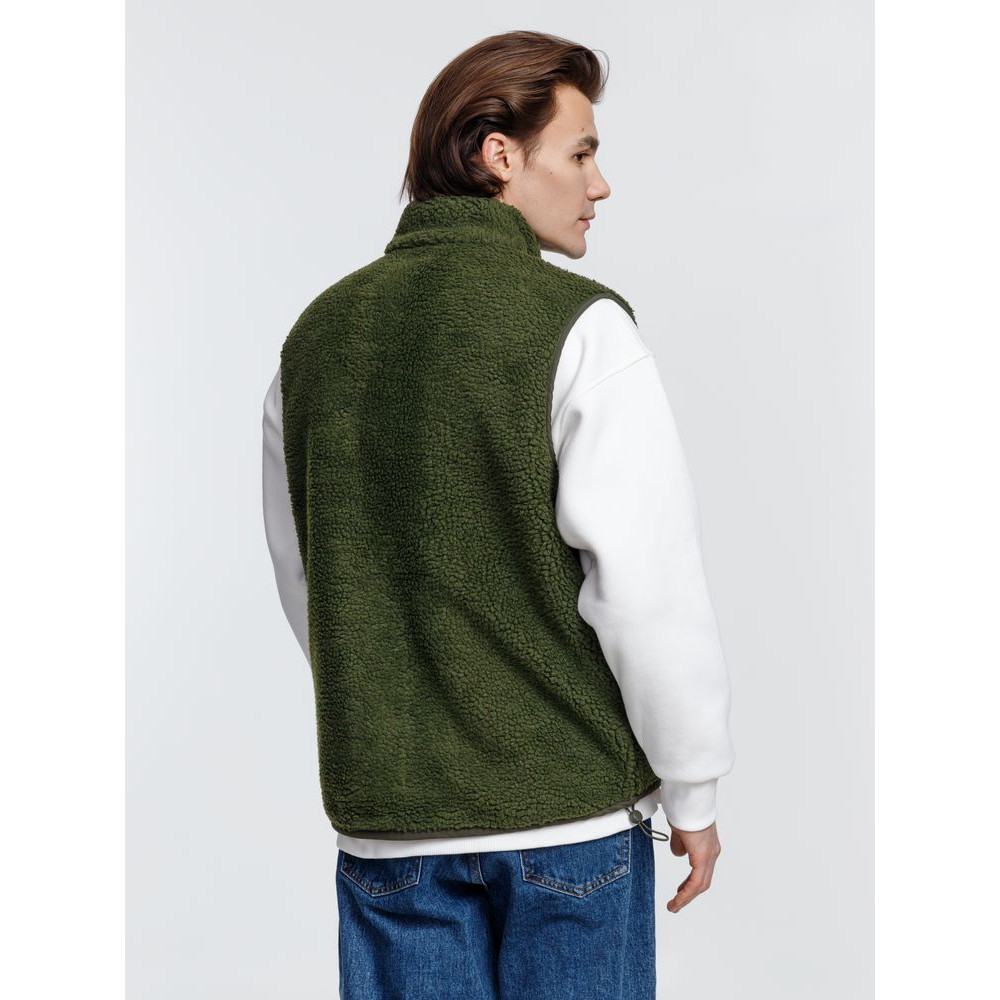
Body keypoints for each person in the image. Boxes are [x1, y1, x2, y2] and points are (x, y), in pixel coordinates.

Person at [262, 29, 735, 1000]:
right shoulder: (582, 328)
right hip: (566, 824)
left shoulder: (314, 339)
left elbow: (311, 578)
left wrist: (399, 708)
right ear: (499, 154)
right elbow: (644, 590)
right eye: (581, 152)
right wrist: (691, 786)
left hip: (390, 827)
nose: (600, 185)